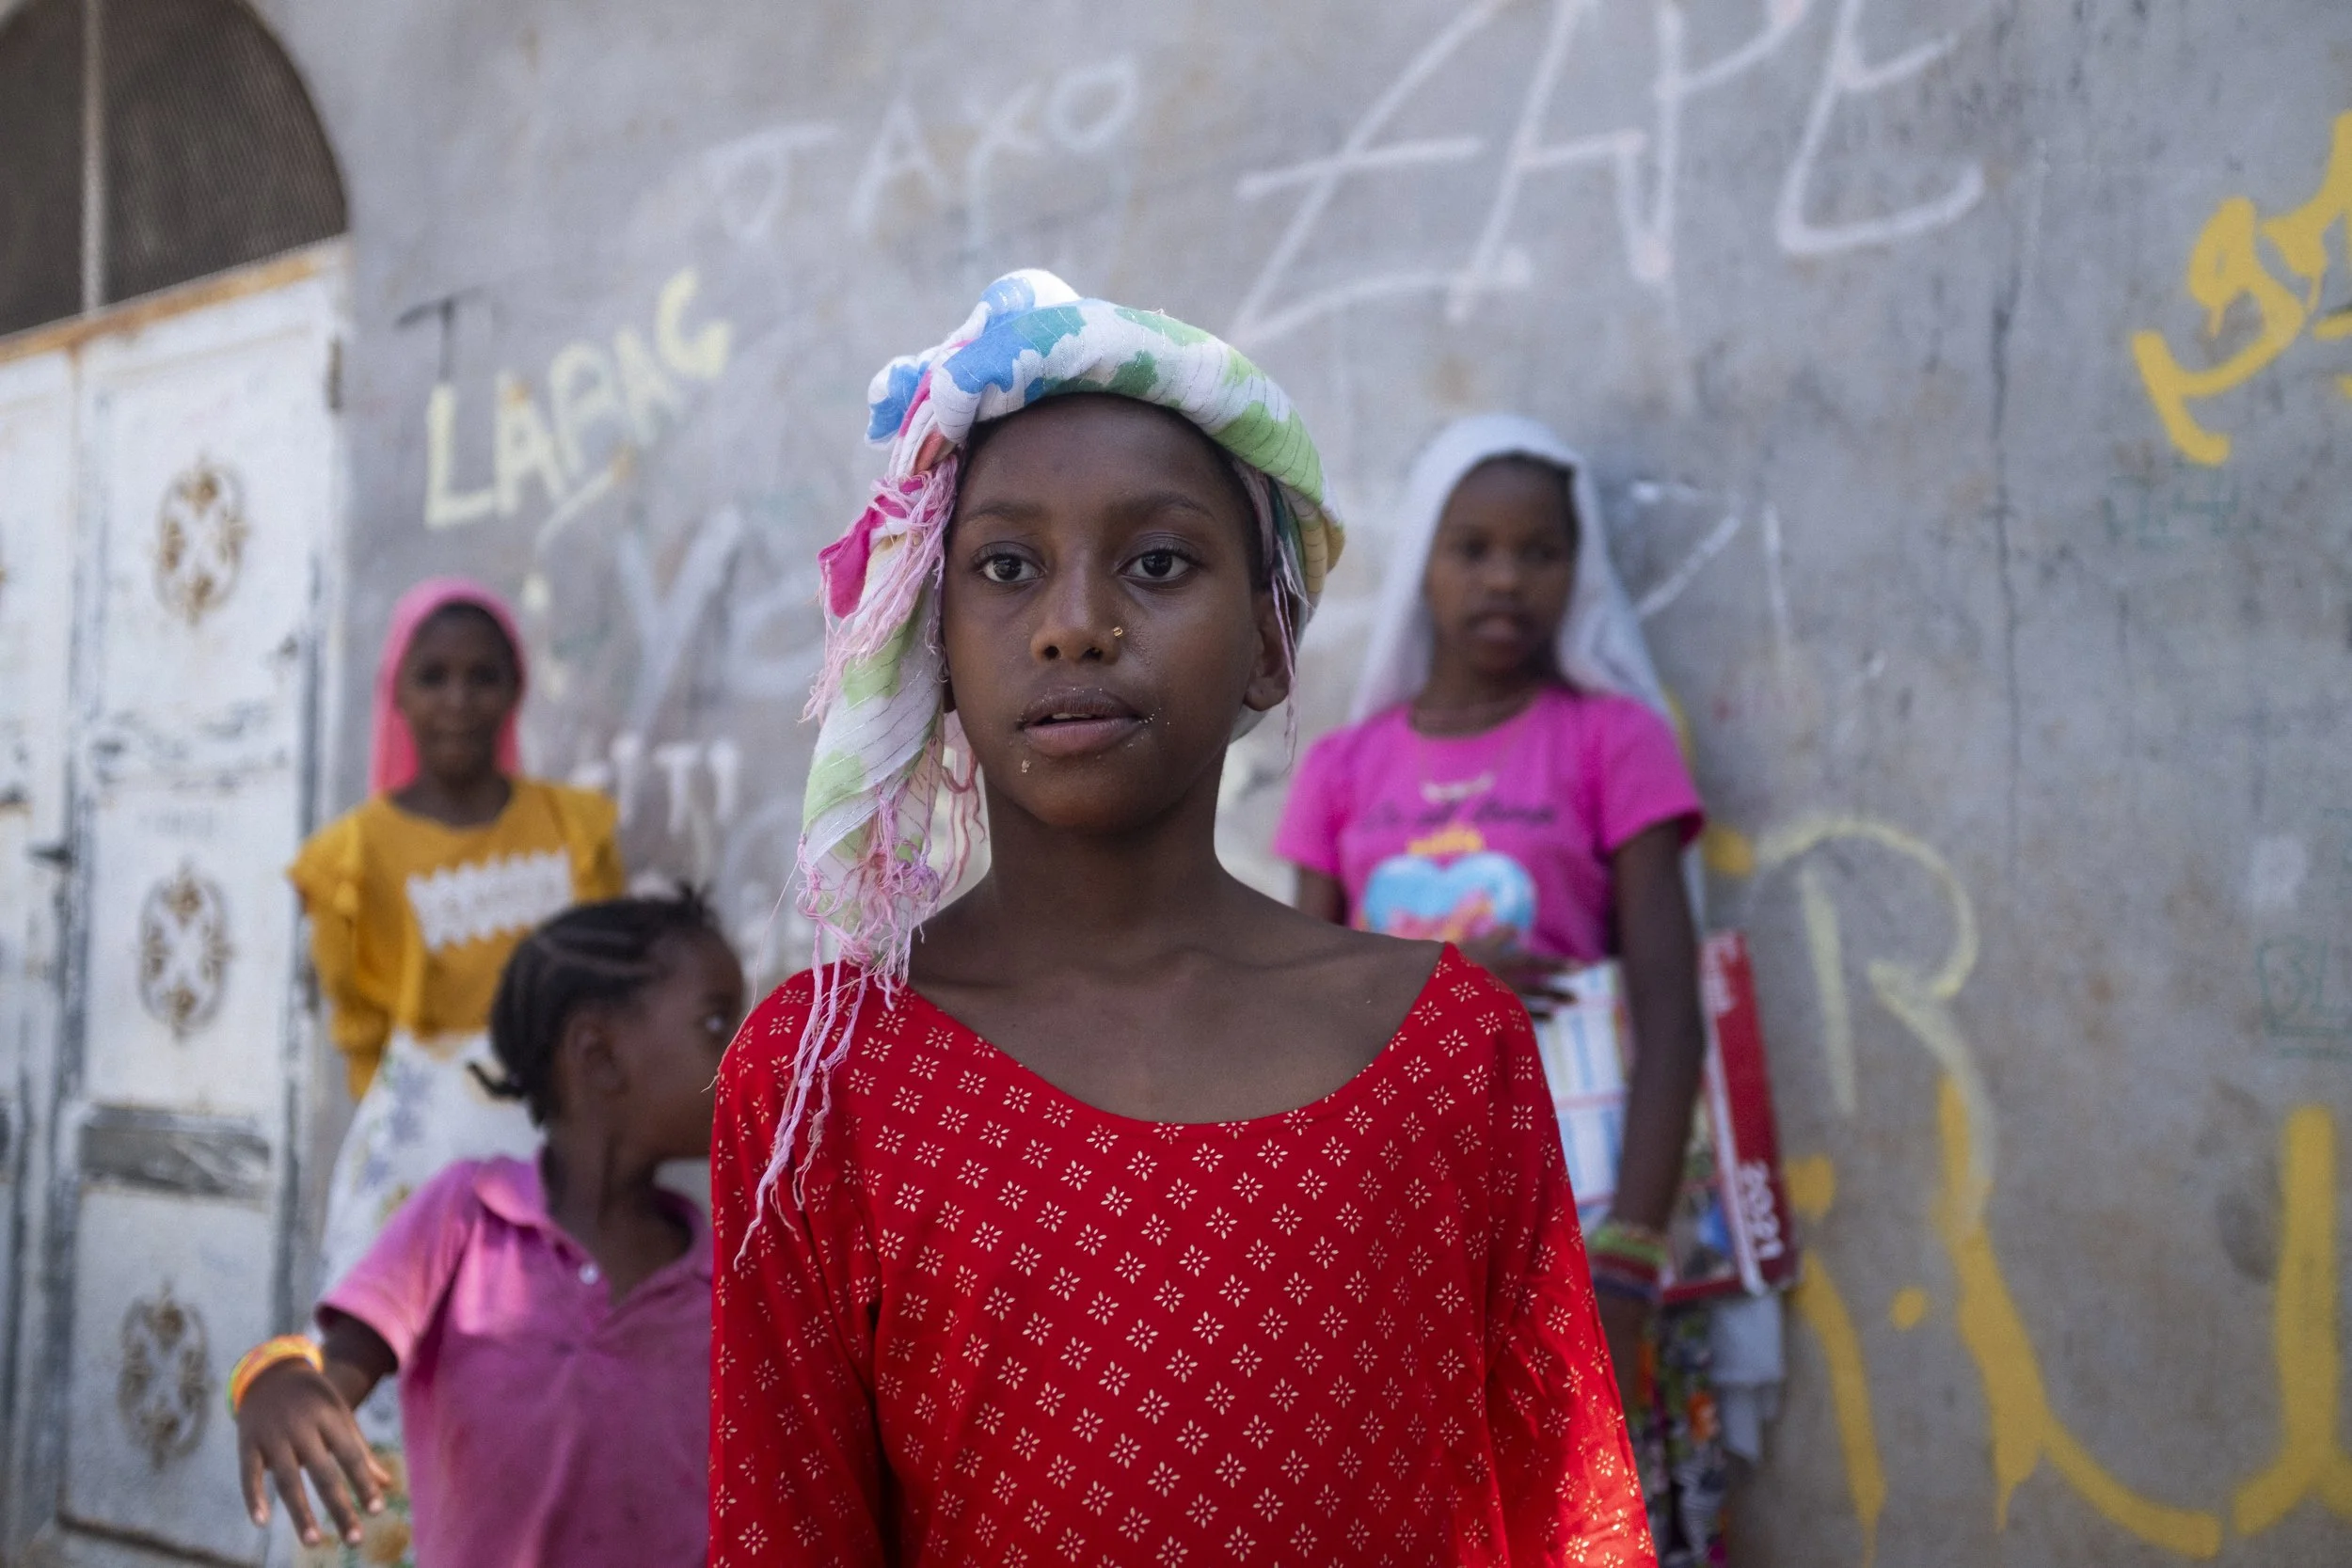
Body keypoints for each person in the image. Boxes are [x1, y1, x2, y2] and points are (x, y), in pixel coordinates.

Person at [708, 273, 1654, 1566]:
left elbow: (1575, 1521)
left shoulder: (1451, 1049)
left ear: (1271, 639)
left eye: (1158, 562)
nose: (1076, 623)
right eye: (1004, 566)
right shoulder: (820, 1082)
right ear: (929, 641)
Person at [1274, 414, 1737, 1564]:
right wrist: (1433, 982)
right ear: (1424, 561)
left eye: (1540, 551)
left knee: (1598, 1515)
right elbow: (1282, 1002)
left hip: (1583, 1197)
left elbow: (1672, 1012)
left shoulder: (1612, 742)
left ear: (1576, 572)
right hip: (1389, 1220)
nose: (1505, 577)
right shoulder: (1342, 766)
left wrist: (1629, 1257)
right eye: (1471, 545)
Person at [230, 890, 742, 1564]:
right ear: (598, 1054)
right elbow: (336, 1366)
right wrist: (274, 1381)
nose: (750, 1048)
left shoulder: (729, 1274)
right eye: (716, 1024)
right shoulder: (466, 1217)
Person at [280, 578, 624, 1561]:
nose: (460, 700)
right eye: (434, 677)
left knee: (540, 1369)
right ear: (399, 692)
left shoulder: (574, 828)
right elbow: (357, 1025)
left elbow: (603, 990)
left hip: (553, 1142)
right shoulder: (353, 856)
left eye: (483, 676)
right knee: (389, 1362)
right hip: (417, 1150)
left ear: (516, 686)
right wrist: (430, 1119)